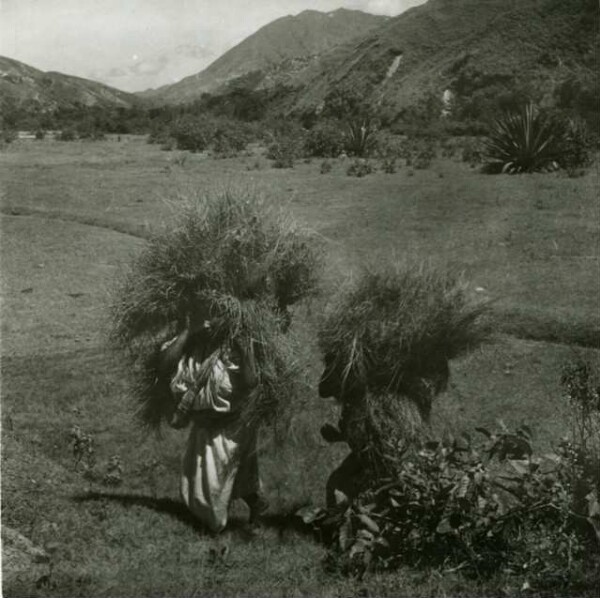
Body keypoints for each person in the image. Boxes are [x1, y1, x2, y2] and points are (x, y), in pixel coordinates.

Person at [158, 317, 269, 533]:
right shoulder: (187, 345)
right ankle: (257, 504)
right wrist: (189, 331)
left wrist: (244, 347)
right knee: (226, 477)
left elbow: (250, 382)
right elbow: (163, 365)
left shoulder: (233, 345)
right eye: (205, 317)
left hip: (231, 425)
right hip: (202, 426)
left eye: (215, 318)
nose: (209, 323)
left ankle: (214, 531)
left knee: (211, 489)